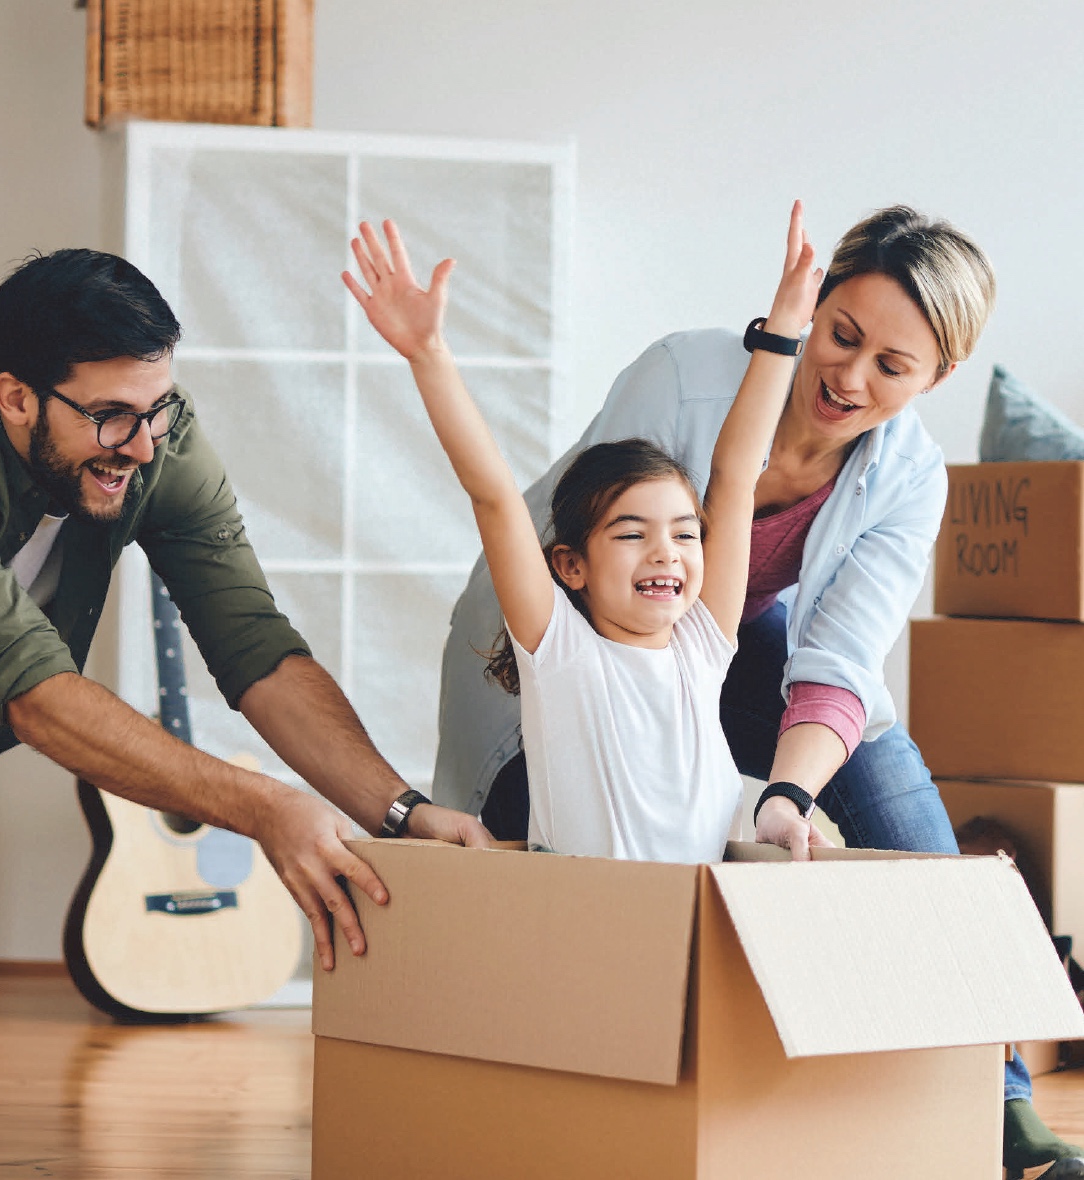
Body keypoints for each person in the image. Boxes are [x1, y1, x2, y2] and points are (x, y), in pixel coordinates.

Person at [433, 205, 1082, 1177]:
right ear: (812, 307)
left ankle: (998, 1104)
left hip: (719, 635)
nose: (850, 378)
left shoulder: (907, 478)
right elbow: (591, 533)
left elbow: (836, 662)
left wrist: (786, 794)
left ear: (936, 379)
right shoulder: (683, 379)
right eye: (842, 334)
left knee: (894, 790)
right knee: (557, 909)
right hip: (562, 631)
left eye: (893, 368)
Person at [0, 248, 489, 972]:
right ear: (17, 398)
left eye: (156, 408)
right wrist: (264, 808)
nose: (140, 447)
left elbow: (253, 644)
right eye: (110, 416)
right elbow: (31, 691)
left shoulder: (154, 439)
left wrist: (401, 813)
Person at [343, 207, 820, 863]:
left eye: (685, 535)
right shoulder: (561, 652)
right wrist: (429, 355)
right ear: (571, 566)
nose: (666, 552)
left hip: (694, 925)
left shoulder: (704, 647)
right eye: (632, 534)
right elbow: (494, 497)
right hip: (590, 928)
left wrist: (785, 331)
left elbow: (736, 476)